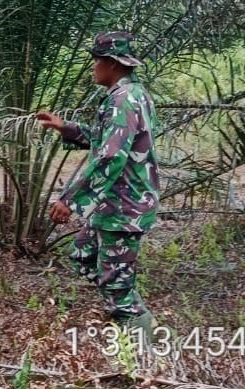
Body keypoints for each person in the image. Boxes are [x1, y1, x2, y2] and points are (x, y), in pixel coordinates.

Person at [36, 31, 160, 338]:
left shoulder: (122, 101)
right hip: (115, 205)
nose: (93, 68)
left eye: (96, 61)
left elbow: (110, 157)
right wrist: (66, 127)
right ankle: (131, 310)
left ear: (112, 64)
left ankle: (141, 343)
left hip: (124, 206)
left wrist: (70, 199)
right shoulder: (133, 94)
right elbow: (109, 140)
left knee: (116, 283)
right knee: (83, 255)